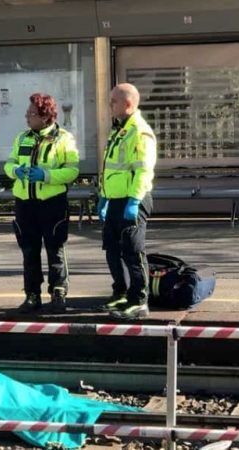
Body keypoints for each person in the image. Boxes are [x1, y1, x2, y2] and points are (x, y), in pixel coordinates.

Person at [4, 93, 80, 313]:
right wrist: (15, 171)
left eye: (31, 114)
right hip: (25, 203)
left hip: (52, 203)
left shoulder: (63, 138)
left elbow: (72, 171)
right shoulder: (22, 137)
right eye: (27, 113)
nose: (27, 117)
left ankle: (58, 292)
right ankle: (32, 294)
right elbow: (9, 164)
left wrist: (46, 176)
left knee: (55, 248)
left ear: (45, 116)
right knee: (29, 249)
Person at [98, 83, 157, 320]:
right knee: (112, 249)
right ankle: (121, 293)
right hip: (114, 199)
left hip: (133, 199)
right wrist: (104, 196)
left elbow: (143, 171)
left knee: (133, 251)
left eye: (113, 101)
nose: (110, 105)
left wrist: (134, 200)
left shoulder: (139, 132)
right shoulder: (119, 130)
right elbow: (110, 168)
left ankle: (139, 300)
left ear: (128, 104)